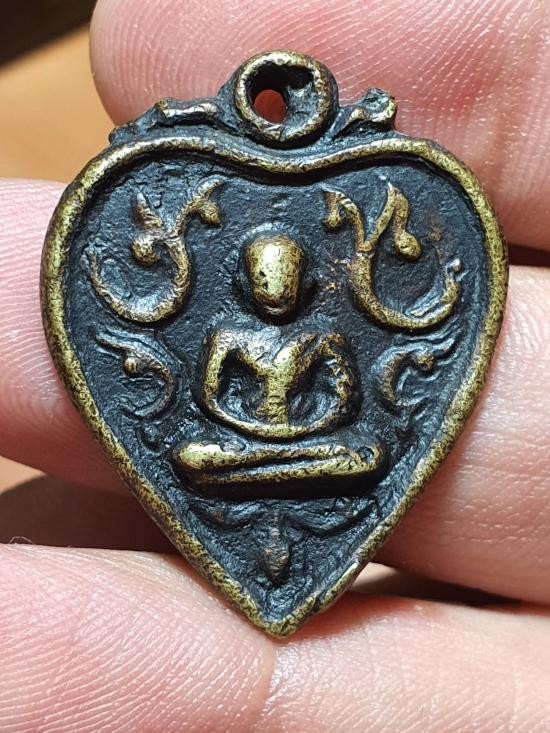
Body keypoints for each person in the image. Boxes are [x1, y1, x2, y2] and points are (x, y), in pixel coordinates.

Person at [0, 0, 549, 729]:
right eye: (264, 277)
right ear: (244, 280)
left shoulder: (324, 338)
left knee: (363, 454)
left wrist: (301, 431)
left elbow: (342, 404)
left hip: (315, 450)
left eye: (286, 277)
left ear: (304, 278)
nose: (275, 289)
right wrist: (254, 431)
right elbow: (212, 401)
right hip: (239, 451)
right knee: (195, 454)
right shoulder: (229, 337)